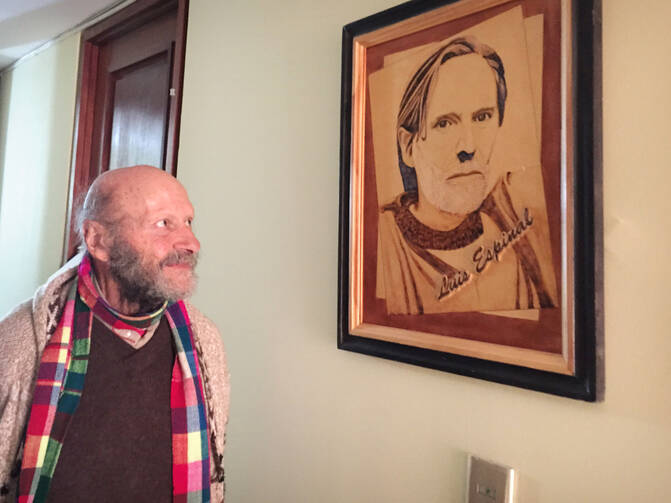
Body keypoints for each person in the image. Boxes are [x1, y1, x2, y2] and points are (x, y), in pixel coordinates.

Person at [0, 166, 229, 502]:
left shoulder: (204, 342)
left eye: (188, 222)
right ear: (98, 240)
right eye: (163, 223)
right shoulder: (19, 343)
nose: (191, 243)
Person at [378, 36, 557, 315]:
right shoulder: (384, 241)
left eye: (483, 117)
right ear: (408, 146)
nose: (468, 147)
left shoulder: (515, 209)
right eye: (445, 123)